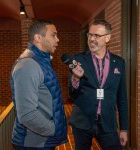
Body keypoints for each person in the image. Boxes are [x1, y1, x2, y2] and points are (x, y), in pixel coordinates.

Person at [68, 19, 128, 150]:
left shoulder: (119, 63)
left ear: (107, 38)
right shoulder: (78, 59)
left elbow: (122, 98)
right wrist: (76, 78)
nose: (91, 39)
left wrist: (124, 128)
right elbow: (72, 94)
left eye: (97, 35)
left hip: (108, 122)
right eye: (90, 35)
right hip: (82, 122)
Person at [10, 20, 67, 150]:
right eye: (53, 35)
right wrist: (54, 129)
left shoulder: (41, 61)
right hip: (33, 144)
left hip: (42, 141)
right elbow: (27, 115)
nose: (57, 39)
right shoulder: (28, 65)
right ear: (38, 38)